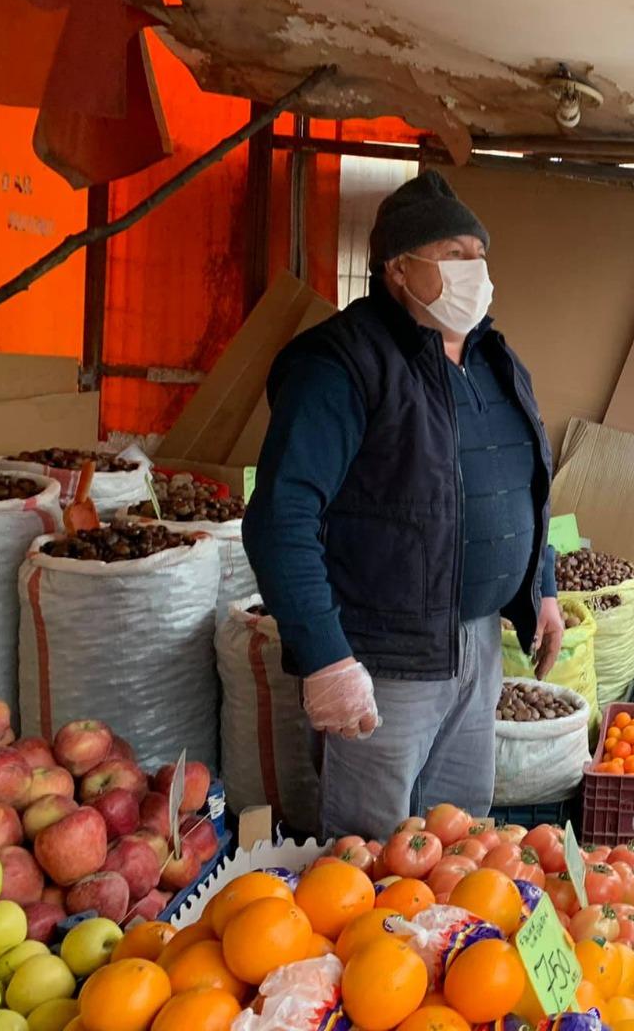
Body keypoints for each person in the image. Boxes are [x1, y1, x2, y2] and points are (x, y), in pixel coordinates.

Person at [243, 172, 564, 838]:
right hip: (384, 655)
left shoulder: (493, 360)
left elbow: (517, 486)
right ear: (397, 268)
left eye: (479, 255)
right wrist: (325, 655)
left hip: (476, 643)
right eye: (453, 254)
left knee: (462, 836)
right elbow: (281, 517)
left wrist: (543, 587)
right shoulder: (340, 365)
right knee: (370, 849)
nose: (474, 269)